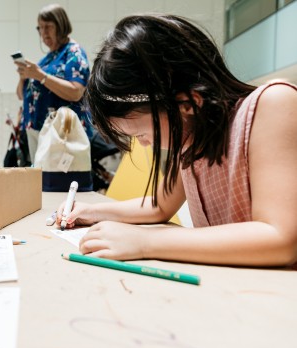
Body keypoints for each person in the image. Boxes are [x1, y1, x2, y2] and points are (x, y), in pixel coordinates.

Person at [57, 14, 297, 267]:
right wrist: (89, 212)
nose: (145, 144)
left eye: (141, 135)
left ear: (185, 103)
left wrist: (144, 242)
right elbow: (158, 205)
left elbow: (280, 238)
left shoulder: (274, 104)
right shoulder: (191, 140)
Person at [15, 3, 92, 164]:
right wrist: (24, 77)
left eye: (48, 27)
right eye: (40, 28)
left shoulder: (74, 52)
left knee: (58, 182)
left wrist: (40, 76)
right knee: (42, 182)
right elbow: (21, 95)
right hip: (38, 131)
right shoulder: (47, 59)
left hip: (63, 133)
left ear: (61, 25)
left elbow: (76, 92)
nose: (43, 33)